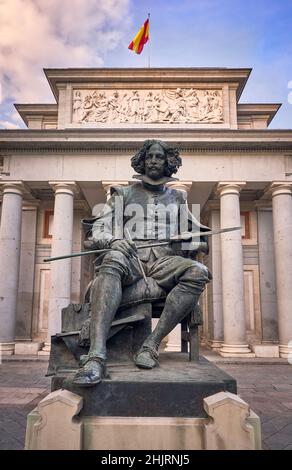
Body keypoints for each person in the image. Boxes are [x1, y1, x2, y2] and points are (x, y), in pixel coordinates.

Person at [73, 140, 211, 386]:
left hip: (165, 261)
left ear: (168, 162)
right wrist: (114, 241)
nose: (155, 161)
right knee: (113, 259)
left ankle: (151, 345)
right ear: (142, 162)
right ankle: (96, 356)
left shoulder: (178, 198)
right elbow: (99, 230)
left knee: (199, 271)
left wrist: (193, 241)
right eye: (150, 157)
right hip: (131, 258)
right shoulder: (123, 194)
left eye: (159, 157)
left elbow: (197, 240)